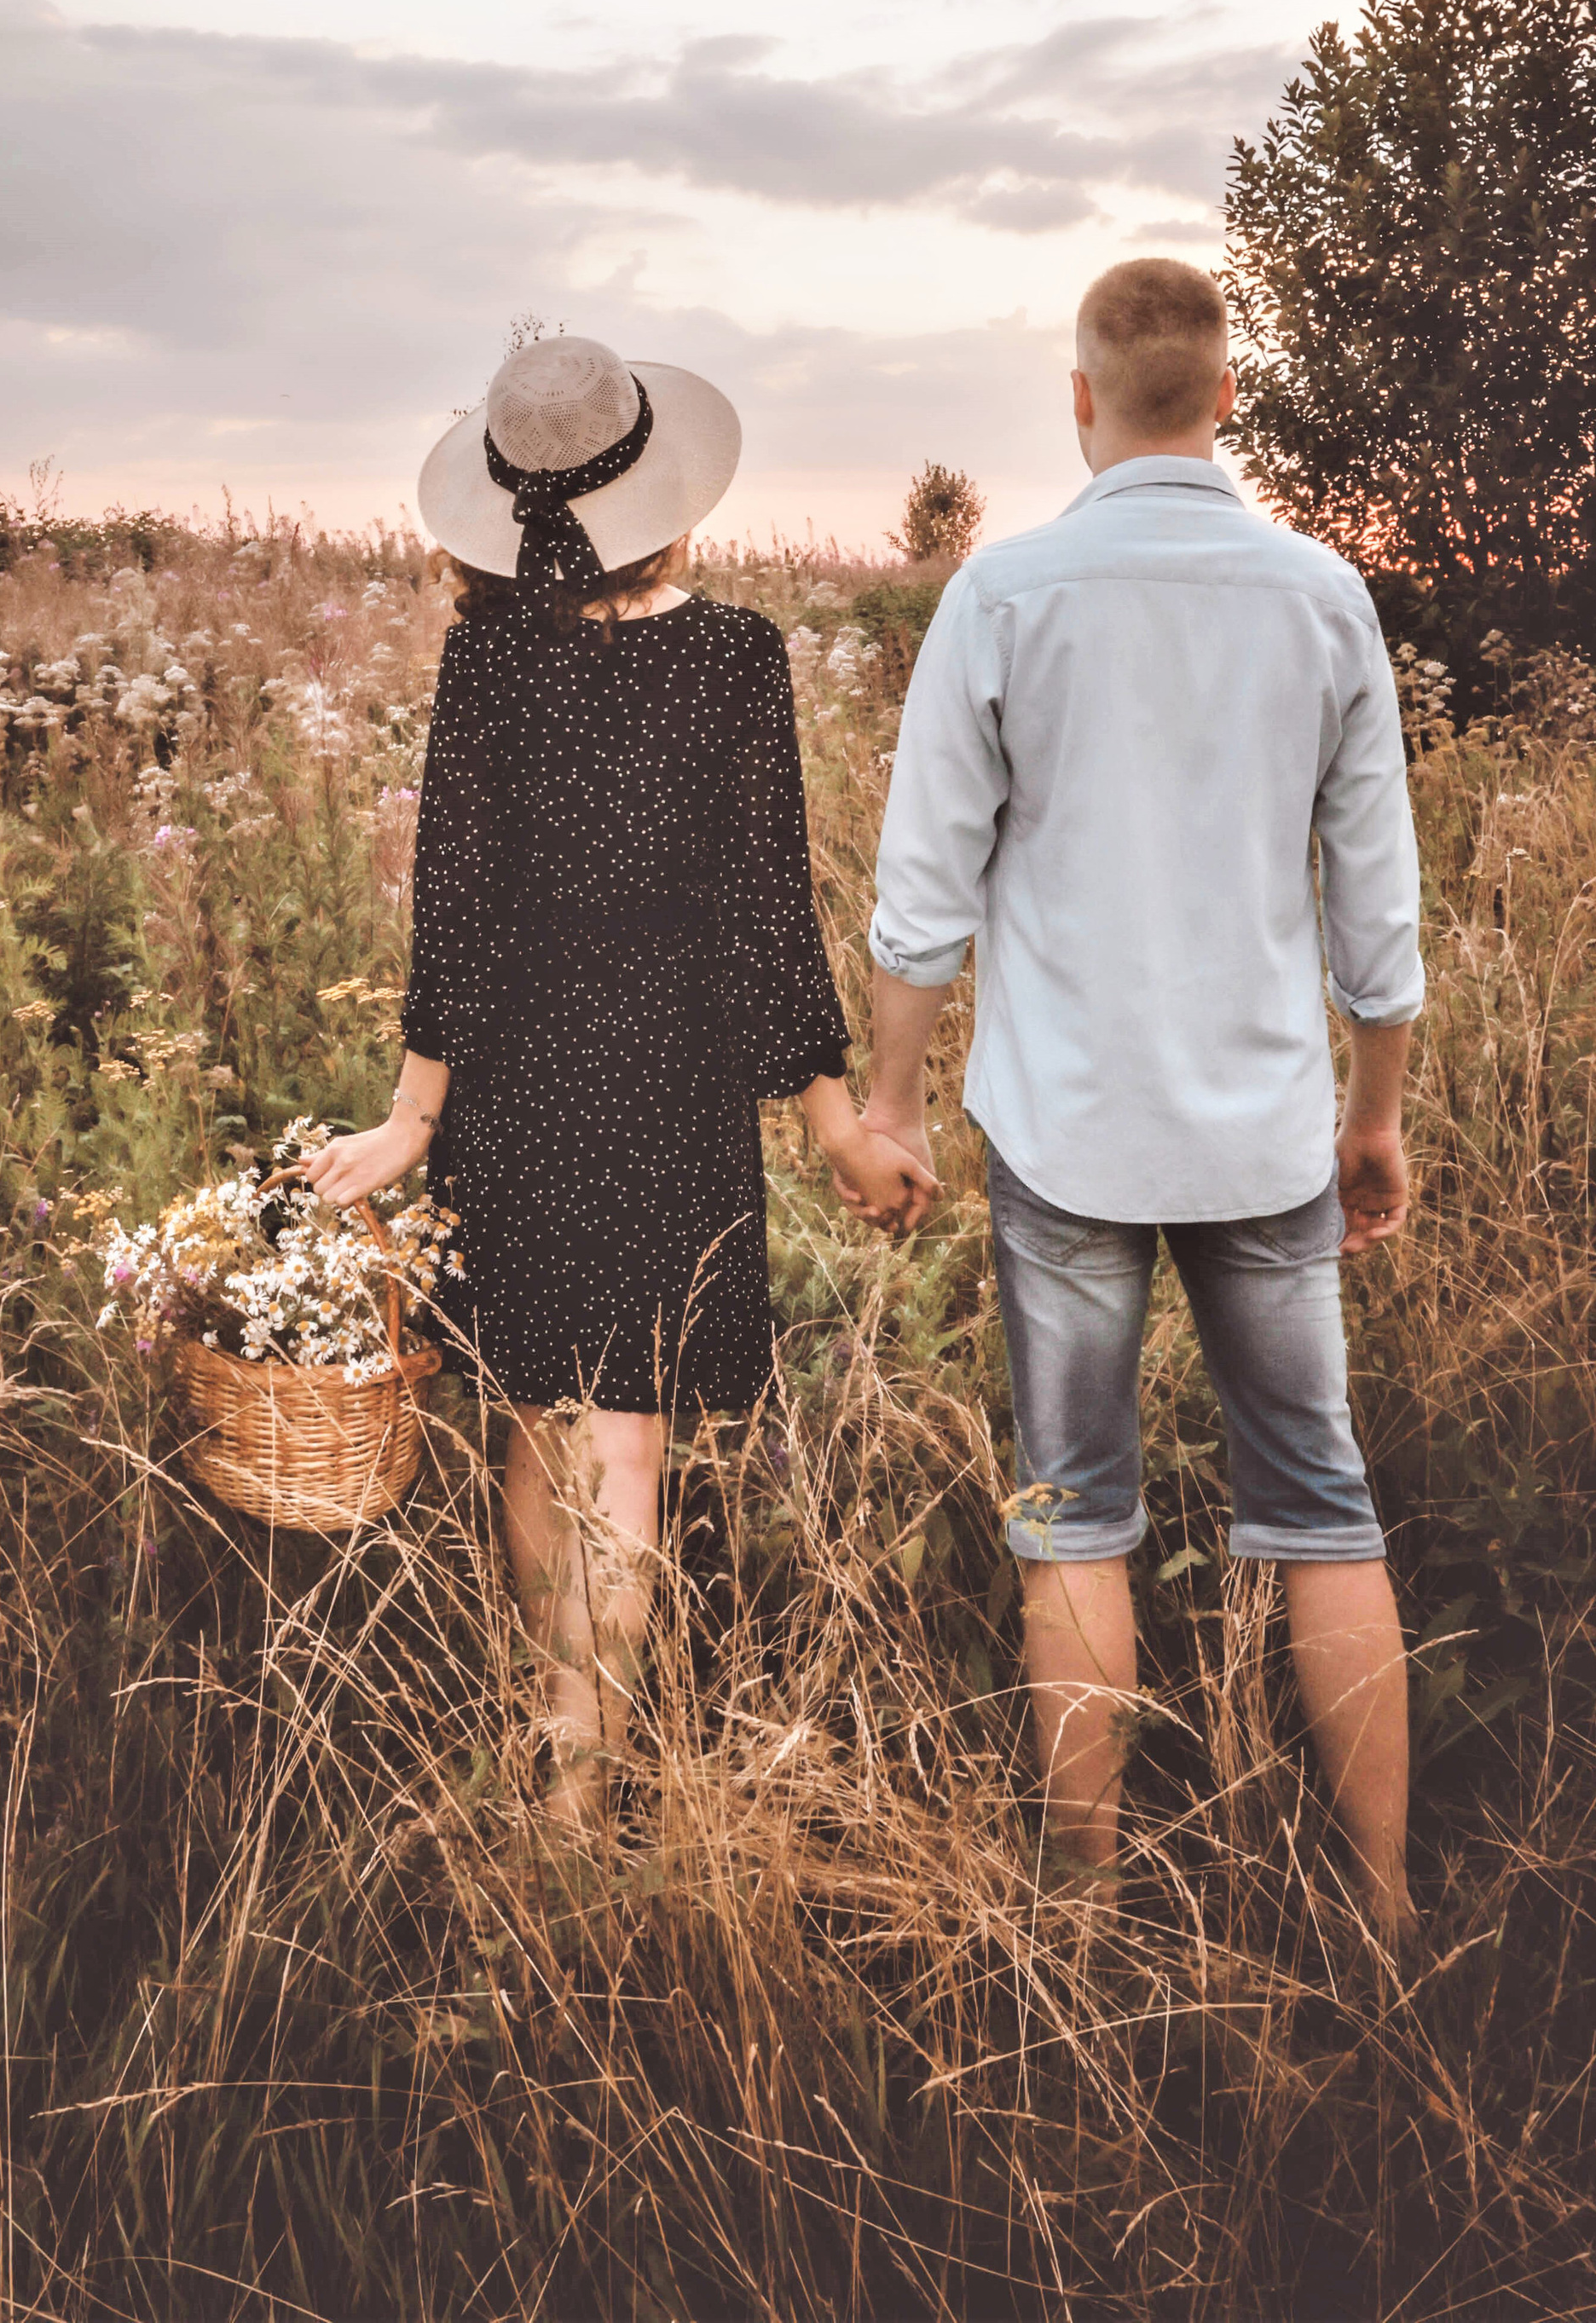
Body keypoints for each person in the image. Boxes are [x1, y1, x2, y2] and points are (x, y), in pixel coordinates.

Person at [298, 332, 932, 1821]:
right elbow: (769, 908)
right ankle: (593, 1770)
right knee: (628, 1436)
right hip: (665, 1081)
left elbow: (454, 906)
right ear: (664, 495)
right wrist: (838, 1122)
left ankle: (557, 1781)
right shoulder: (733, 657)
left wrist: (412, 1117)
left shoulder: (489, 656)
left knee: (532, 1411)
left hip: (519, 1079)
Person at [863, 258, 1424, 1940]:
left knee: (1070, 1510)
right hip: (1259, 1137)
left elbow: (922, 889)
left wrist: (889, 1106)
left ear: (1082, 401)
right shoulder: (1319, 595)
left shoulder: (1007, 594)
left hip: (1066, 1135)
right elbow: (1375, 914)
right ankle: (1385, 1907)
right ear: (1226, 398)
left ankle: (1081, 1907)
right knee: (1320, 1506)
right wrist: (1371, 1118)